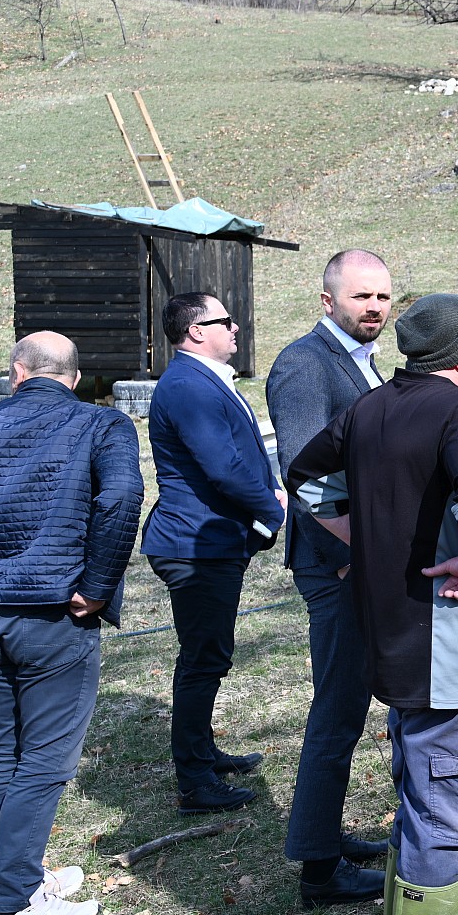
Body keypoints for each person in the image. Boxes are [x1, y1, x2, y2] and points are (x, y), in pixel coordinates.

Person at [287, 293, 458, 915]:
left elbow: (306, 476)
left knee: (422, 787)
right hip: (453, 644)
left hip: (393, 634)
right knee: (451, 797)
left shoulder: (371, 406)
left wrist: (371, 542)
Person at [0, 333, 143, 915]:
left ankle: (11, 875)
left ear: (15, 373)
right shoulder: (102, 425)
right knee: (42, 759)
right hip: (53, 614)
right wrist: (98, 585)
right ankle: (14, 907)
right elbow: (123, 497)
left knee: (4, 750)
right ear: (74, 378)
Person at [266, 250, 394, 908]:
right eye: (360, 297)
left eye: (382, 297)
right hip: (335, 565)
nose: (373, 307)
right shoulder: (303, 363)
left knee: (346, 707)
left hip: (358, 562)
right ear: (327, 301)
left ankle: (328, 837)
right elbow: (304, 471)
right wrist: (350, 554)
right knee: (338, 712)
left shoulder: (357, 361)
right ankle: (319, 869)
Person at [141, 293, 286, 816]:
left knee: (207, 655)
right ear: (197, 331)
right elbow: (223, 468)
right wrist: (273, 508)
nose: (237, 328)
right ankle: (195, 782)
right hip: (195, 546)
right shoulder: (187, 386)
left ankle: (202, 753)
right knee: (204, 660)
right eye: (227, 321)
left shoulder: (198, 380)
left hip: (206, 540)